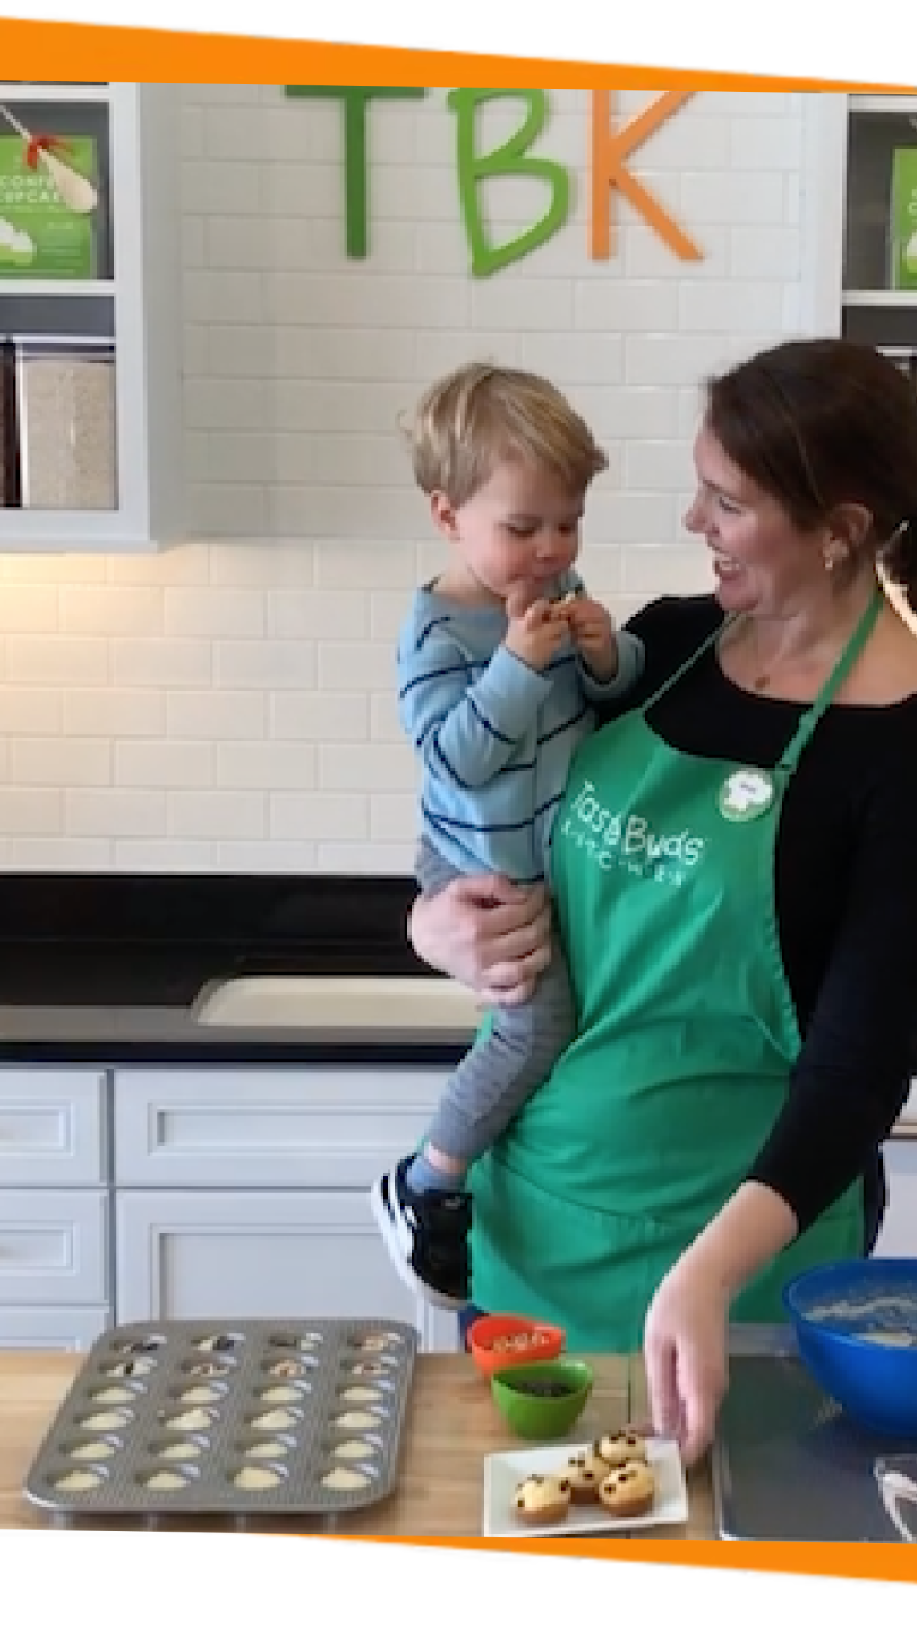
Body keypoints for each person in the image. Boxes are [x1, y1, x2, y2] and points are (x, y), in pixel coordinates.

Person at [404, 338, 917, 1464]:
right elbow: (484, 800)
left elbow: (857, 1079)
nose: (694, 522)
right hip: (529, 1228)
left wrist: (709, 1275)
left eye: (727, 502)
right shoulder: (663, 647)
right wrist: (432, 923)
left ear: (840, 529)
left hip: (735, 1278)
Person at [371, 361, 646, 1313]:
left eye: (568, 522)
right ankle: (426, 1184)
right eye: (523, 528)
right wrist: (519, 668)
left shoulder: (552, 585)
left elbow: (605, 703)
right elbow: (458, 758)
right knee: (536, 1024)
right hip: (480, 859)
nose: (550, 549)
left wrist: (608, 655)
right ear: (448, 516)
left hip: (544, 851)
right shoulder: (437, 636)